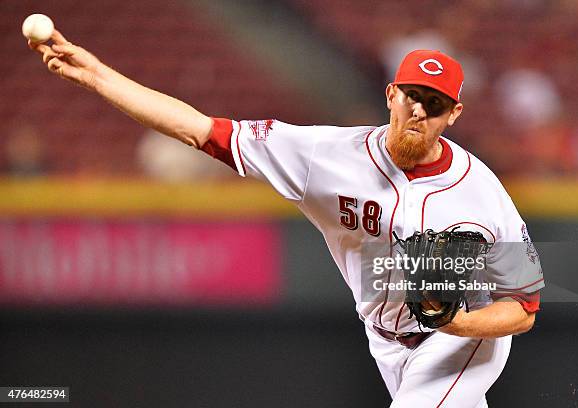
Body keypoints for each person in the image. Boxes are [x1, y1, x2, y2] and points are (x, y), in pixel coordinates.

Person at [29, 30, 544, 407]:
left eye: (435, 104)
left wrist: (460, 322)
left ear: (454, 114)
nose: (419, 112)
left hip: (461, 342)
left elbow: (524, 307)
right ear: (391, 94)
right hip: (384, 342)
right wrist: (95, 75)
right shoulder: (325, 155)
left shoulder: (482, 192)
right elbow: (201, 131)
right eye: (413, 96)